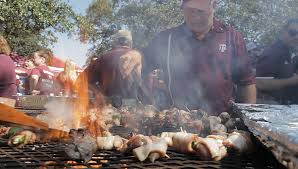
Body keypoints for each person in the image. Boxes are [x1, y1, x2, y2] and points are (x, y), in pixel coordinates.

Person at [121, 0, 256, 115]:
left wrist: (248, 122)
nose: (195, 17)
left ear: (214, 4)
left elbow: (246, 83)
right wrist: (137, 55)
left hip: (223, 123)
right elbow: (144, 59)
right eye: (190, 10)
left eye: (200, 11)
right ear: (183, 7)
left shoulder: (231, 37)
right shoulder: (167, 39)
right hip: (179, 122)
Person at [84, 30, 143, 100]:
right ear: (131, 43)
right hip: (133, 108)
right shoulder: (138, 59)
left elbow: (83, 80)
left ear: (115, 42)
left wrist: (98, 92)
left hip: (107, 107)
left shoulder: (103, 58)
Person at [256, 18, 298, 104]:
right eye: (292, 33)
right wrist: (292, 81)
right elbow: (260, 83)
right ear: (283, 32)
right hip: (271, 108)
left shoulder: (288, 52)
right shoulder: (273, 52)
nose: (296, 37)